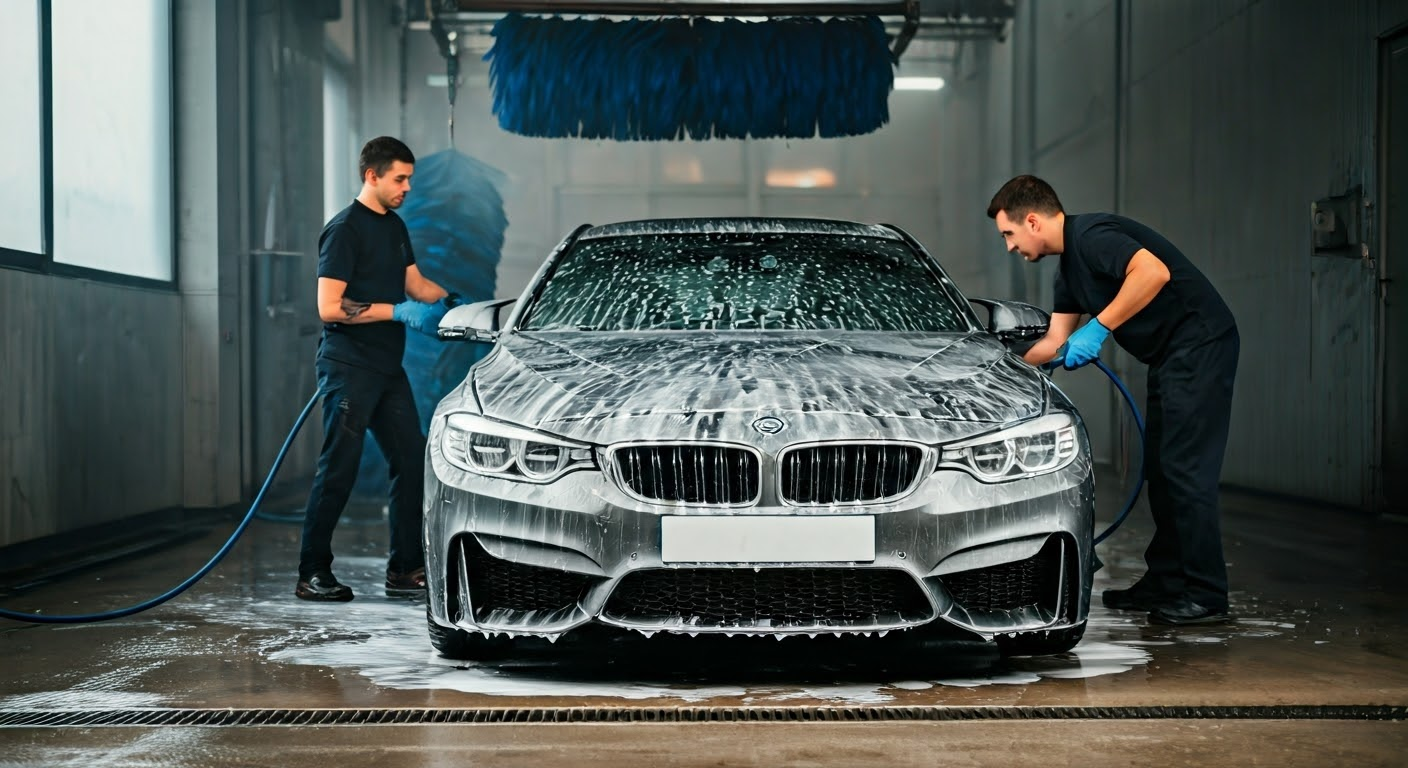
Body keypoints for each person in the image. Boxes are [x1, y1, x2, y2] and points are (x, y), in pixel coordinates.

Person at [986, 175, 1239, 626]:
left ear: (1032, 221)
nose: (1009, 246)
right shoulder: (1069, 272)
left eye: (1009, 233)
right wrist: (998, 364)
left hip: (1201, 343)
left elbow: (1153, 272)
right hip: (1169, 356)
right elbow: (1055, 340)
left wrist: (1100, 327)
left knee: (1186, 469)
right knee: (1163, 470)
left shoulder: (1094, 235)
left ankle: (1206, 594)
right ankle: (1166, 581)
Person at [296, 136, 452, 602]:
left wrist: (454, 303)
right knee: (338, 467)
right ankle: (312, 573)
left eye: (409, 179)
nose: (407, 187)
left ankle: (404, 568)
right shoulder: (344, 230)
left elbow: (415, 283)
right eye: (399, 178)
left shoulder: (394, 225)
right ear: (372, 175)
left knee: (410, 459)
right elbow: (328, 306)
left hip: (386, 367)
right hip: (348, 365)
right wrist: (398, 312)